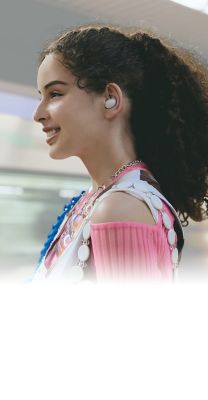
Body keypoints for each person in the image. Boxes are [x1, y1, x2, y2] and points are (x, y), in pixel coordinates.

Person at [32, 24, 208, 283]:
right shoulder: (103, 199)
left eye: (55, 94)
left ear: (110, 99)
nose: (38, 114)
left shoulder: (122, 207)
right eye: (41, 96)